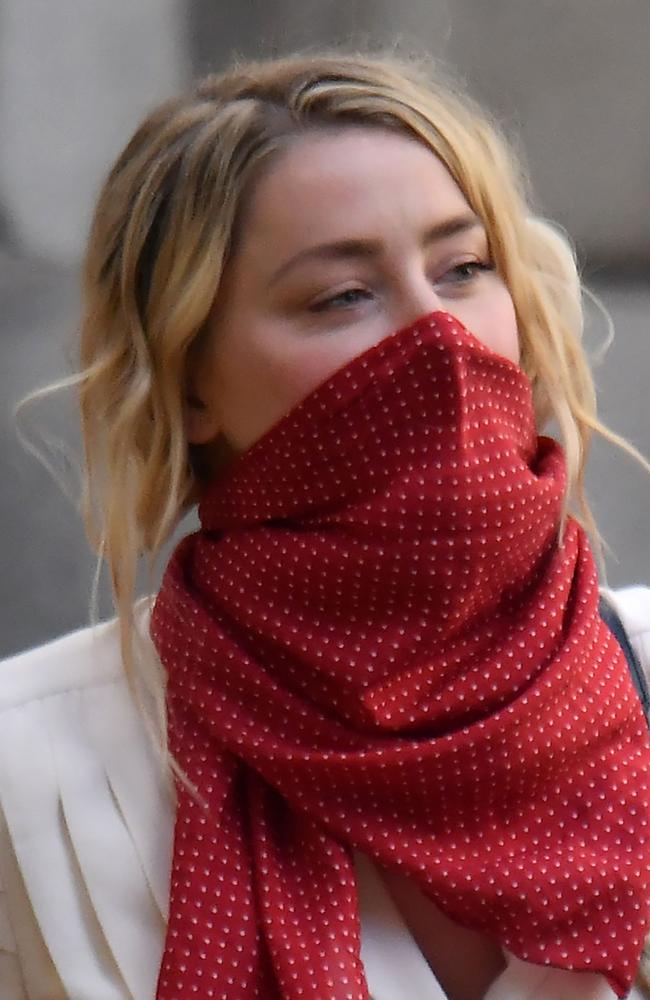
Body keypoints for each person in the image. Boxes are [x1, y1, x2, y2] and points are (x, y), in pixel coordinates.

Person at [1, 48, 650, 1000]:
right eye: (342, 294)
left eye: (465, 267)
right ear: (189, 387)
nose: (438, 337)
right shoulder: (32, 770)